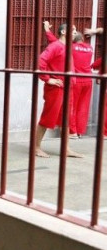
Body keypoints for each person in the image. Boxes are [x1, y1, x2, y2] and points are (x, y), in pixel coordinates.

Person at [34, 23, 83, 158]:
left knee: (66, 120)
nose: (75, 32)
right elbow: (41, 61)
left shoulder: (63, 46)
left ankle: (66, 149)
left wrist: (46, 30)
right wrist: (47, 79)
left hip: (68, 89)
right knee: (47, 118)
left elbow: (52, 40)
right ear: (63, 32)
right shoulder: (56, 46)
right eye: (72, 30)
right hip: (56, 89)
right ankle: (36, 148)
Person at [44, 21, 93, 138]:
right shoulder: (90, 48)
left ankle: (73, 132)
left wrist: (47, 30)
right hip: (88, 80)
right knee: (83, 107)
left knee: (72, 108)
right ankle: (80, 131)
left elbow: (54, 42)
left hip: (75, 81)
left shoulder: (71, 48)